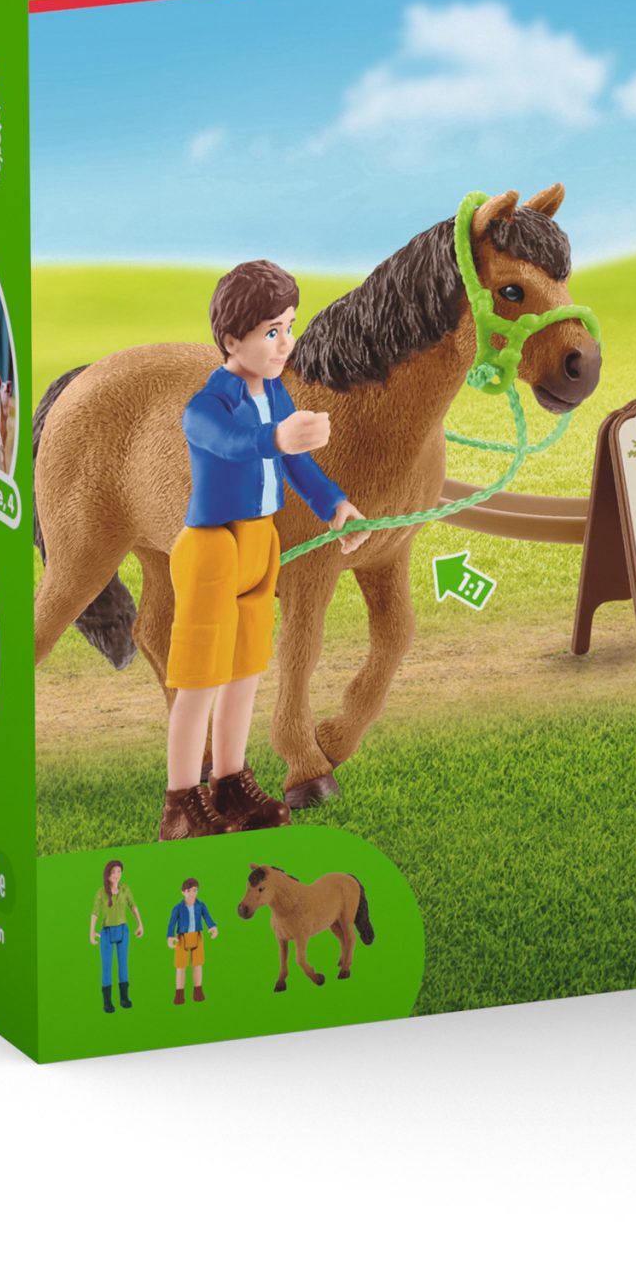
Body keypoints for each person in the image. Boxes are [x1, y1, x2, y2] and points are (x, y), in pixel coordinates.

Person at [164, 260, 367, 841]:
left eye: (290, 327)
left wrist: (335, 505)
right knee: (200, 679)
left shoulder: (275, 394)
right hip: (213, 547)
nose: (286, 343)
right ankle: (181, 800)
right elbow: (231, 444)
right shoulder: (207, 405)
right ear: (233, 340)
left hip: (261, 544)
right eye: (272, 331)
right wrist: (276, 436)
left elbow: (296, 465)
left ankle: (229, 781)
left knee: (245, 670)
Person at [90, 860, 143, 1014]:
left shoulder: (125, 889)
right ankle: (107, 1001)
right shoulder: (101, 892)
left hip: (123, 931)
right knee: (106, 967)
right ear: (107, 874)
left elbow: (133, 906)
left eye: (119, 872)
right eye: (113, 872)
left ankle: (124, 998)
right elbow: (95, 913)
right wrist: (92, 932)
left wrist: (140, 924)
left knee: (123, 964)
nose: (116, 875)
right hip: (106, 932)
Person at [166, 876, 221, 1006]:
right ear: (183, 892)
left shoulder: (201, 906)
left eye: (195, 890)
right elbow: (171, 923)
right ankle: (179, 993)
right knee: (180, 966)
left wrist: (212, 927)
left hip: (197, 937)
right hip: (182, 938)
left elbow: (207, 917)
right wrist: (170, 936)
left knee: (198, 964)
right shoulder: (177, 908)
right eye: (189, 890)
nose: (192, 893)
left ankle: (198, 991)